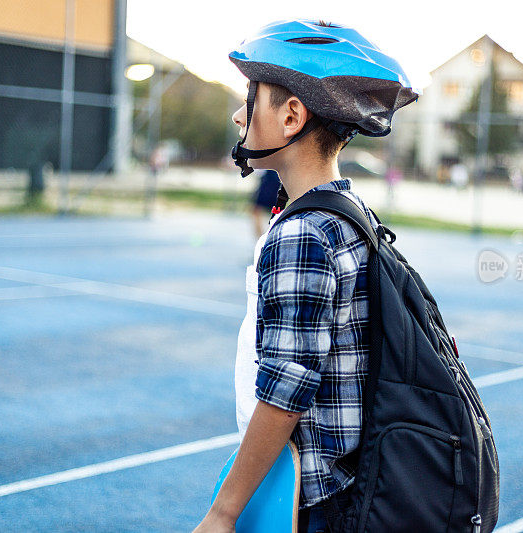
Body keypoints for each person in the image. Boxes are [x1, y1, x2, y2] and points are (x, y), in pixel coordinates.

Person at [194, 19, 417, 533]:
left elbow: (284, 393)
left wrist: (222, 514)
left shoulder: (304, 235)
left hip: (316, 503)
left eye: (250, 97)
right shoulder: (347, 209)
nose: (237, 114)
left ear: (292, 114)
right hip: (345, 487)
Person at [250, 169, 281, 239]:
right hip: (272, 178)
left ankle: (262, 240)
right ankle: (264, 240)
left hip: (270, 180)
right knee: (275, 212)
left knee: (256, 210)